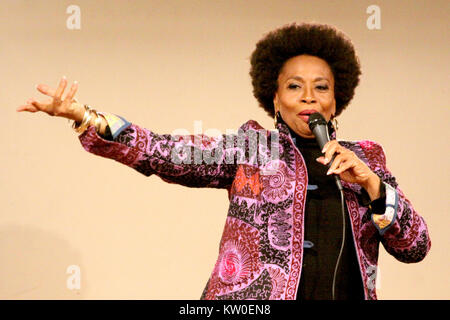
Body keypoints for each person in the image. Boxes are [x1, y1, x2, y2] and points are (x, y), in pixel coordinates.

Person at [17, 22, 431, 300]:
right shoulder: (250, 148)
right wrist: (84, 116)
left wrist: (375, 186)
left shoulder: (367, 158)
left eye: (321, 87)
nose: (309, 96)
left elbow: (416, 248)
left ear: (336, 99)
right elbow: (163, 152)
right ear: (274, 98)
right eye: (294, 86)